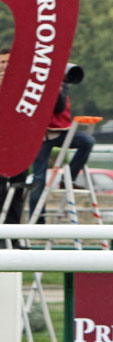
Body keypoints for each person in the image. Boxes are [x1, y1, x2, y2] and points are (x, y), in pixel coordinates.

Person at [28, 73, 94, 223]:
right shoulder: (33, 82)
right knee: (39, 178)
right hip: (41, 136)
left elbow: (59, 108)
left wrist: (57, 89)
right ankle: (37, 221)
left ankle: (68, 178)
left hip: (61, 132)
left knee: (87, 141)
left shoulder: (61, 84)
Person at [0, 46, 27, 248]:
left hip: (17, 146)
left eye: (8, 62)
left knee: (18, 192)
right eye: (1, 63)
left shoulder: (22, 87)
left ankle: (14, 237)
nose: (4, 67)